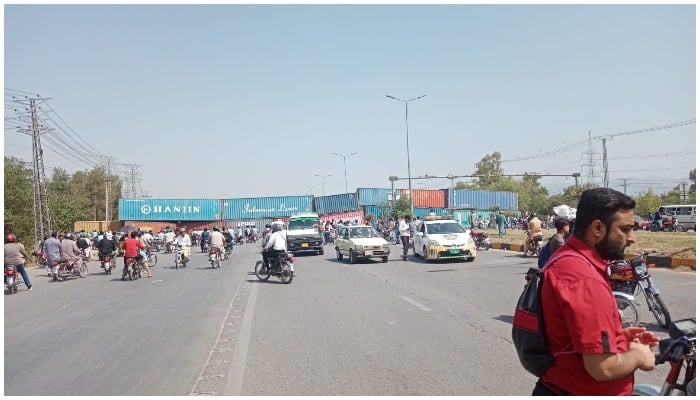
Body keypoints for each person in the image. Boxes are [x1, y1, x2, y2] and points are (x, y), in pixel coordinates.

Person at [534, 188, 659, 395]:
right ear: (598, 228)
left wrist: (617, 338)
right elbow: (602, 368)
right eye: (625, 229)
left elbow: (570, 335)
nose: (632, 238)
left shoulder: (568, 259)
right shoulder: (585, 279)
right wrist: (639, 356)